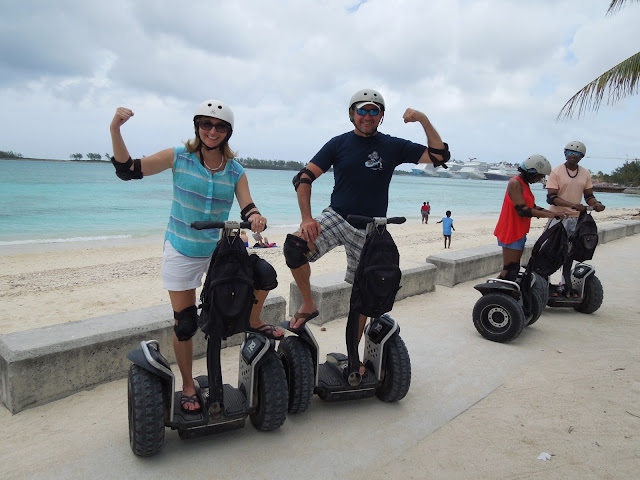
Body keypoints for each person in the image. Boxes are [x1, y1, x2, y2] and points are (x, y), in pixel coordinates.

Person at [109, 99, 284, 414]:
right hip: (181, 248)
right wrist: (115, 129)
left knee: (263, 276)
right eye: (206, 124)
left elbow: (247, 205)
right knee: (186, 323)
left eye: (219, 126)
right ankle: (189, 384)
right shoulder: (179, 158)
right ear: (197, 127)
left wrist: (256, 217)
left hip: (218, 251)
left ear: (228, 132)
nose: (212, 131)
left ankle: (253, 319)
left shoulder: (235, 170)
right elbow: (128, 170)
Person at [283, 88, 450, 365]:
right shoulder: (338, 144)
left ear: (381, 116)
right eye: (362, 110)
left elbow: (439, 156)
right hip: (337, 217)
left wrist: (422, 118)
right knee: (295, 246)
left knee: (361, 298)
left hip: (372, 228)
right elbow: (303, 178)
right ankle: (308, 303)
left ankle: (353, 360)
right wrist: (307, 218)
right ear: (352, 114)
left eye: (374, 111)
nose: (367, 116)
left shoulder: (392, 146)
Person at [545, 140, 606, 295]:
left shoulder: (585, 173)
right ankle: (544, 283)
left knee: (570, 253)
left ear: (581, 157)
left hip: (575, 219)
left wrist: (596, 204)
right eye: (570, 152)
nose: (573, 156)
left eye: (577, 154)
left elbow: (589, 196)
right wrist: (572, 205)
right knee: (551, 250)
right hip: (558, 217)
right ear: (565, 153)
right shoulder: (556, 172)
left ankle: (565, 284)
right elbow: (552, 197)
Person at [493, 155, 567, 281]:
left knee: (514, 268)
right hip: (511, 229)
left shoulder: (524, 185)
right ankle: (495, 296)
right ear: (531, 171)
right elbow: (523, 210)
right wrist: (550, 215)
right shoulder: (515, 183)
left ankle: (504, 296)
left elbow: (533, 207)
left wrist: (553, 213)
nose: (539, 179)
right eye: (539, 176)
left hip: (519, 230)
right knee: (510, 268)